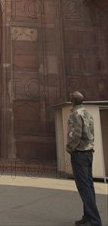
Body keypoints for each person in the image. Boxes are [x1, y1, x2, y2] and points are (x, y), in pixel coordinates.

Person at [66, 91, 102, 226]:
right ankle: (88, 217)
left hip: (79, 153)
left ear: (72, 101)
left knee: (84, 187)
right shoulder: (87, 113)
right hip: (88, 152)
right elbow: (91, 132)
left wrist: (70, 148)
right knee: (88, 186)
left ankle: (94, 220)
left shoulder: (75, 114)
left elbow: (75, 134)